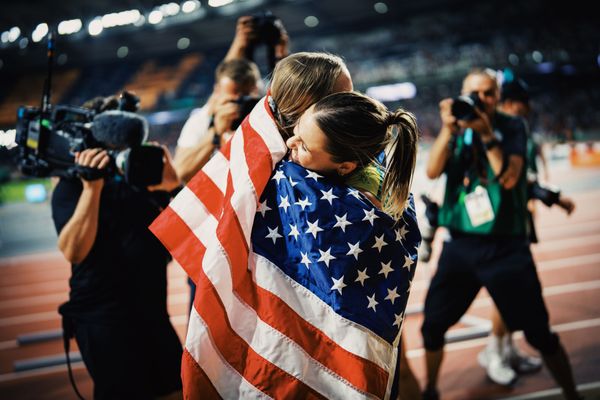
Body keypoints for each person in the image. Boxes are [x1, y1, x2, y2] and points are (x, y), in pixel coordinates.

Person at [420, 68, 580, 400]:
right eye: (473, 93)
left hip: (505, 246)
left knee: (539, 334)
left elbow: (506, 179)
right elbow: (432, 170)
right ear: (462, 92)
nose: (480, 100)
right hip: (460, 244)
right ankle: (431, 391)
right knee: (432, 326)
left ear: (498, 97)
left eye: (488, 93)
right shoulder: (457, 130)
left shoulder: (512, 127)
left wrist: (486, 133)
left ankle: (572, 394)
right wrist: (449, 131)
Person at [286, 90, 421, 399]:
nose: (290, 145)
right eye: (295, 133)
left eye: (304, 146)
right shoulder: (361, 162)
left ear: (345, 166)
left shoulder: (358, 206)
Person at [52, 100, 184, 399]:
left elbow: (180, 243)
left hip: (151, 310)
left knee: (178, 390)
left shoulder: (145, 180)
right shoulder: (72, 187)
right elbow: (74, 251)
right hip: (104, 319)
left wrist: (171, 189)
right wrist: (92, 189)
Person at [476, 77, 577, 385]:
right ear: (507, 102)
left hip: (515, 224)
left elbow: (526, 181)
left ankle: (506, 349)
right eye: (522, 102)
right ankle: (495, 351)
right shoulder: (493, 132)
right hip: (495, 226)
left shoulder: (517, 131)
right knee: (503, 293)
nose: (528, 109)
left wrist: (553, 199)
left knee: (509, 293)